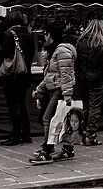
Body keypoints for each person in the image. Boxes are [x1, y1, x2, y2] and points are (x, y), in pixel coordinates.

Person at [29, 26, 78, 163]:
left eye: (46, 34)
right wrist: (40, 89)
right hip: (56, 88)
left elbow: (66, 74)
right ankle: (68, 149)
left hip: (60, 90)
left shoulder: (62, 51)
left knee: (49, 119)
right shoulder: (57, 51)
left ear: (51, 35)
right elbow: (52, 75)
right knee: (64, 119)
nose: (44, 37)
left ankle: (47, 150)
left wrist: (67, 95)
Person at [73, 20, 103, 146]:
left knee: (86, 106)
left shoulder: (81, 42)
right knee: (94, 107)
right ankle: (90, 134)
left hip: (82, 78)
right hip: (97, 78)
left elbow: (77, 61)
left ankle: (82, 132)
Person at [0, 13, 35, 146]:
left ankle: (16, 134)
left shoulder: (9, 35)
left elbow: (2, 52)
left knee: (13, 104)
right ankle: (26, 134)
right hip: (25, 73)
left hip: (12, 75)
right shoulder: (29, 35)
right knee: (22, 104)